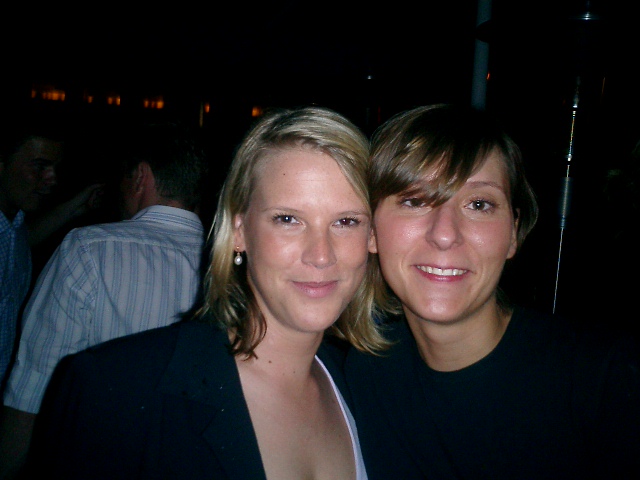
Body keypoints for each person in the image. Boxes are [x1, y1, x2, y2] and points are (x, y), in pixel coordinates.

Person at [25, 105, 387, 479]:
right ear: (239, 230)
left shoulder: (370, 394)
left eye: (346, 221)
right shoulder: (115, 391)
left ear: (372, 237)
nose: (321, 255)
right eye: (288, 219)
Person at [344, 104, 640, 479]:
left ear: (513, 233)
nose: (445, 234)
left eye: (479, 204)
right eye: (415, 201)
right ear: (371, 231)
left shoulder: (606, 380)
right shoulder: (364, 375)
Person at [0, 120, 209, 479]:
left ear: (140, 177)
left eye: (124, 178)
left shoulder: (88, 250)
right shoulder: (238, 268)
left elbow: (31, 392)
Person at [0, 119, 103, 392]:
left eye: (55, 168)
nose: (52, 179)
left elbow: (22, 240)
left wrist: (74, 208)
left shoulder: (13, 224)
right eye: (39, 166)